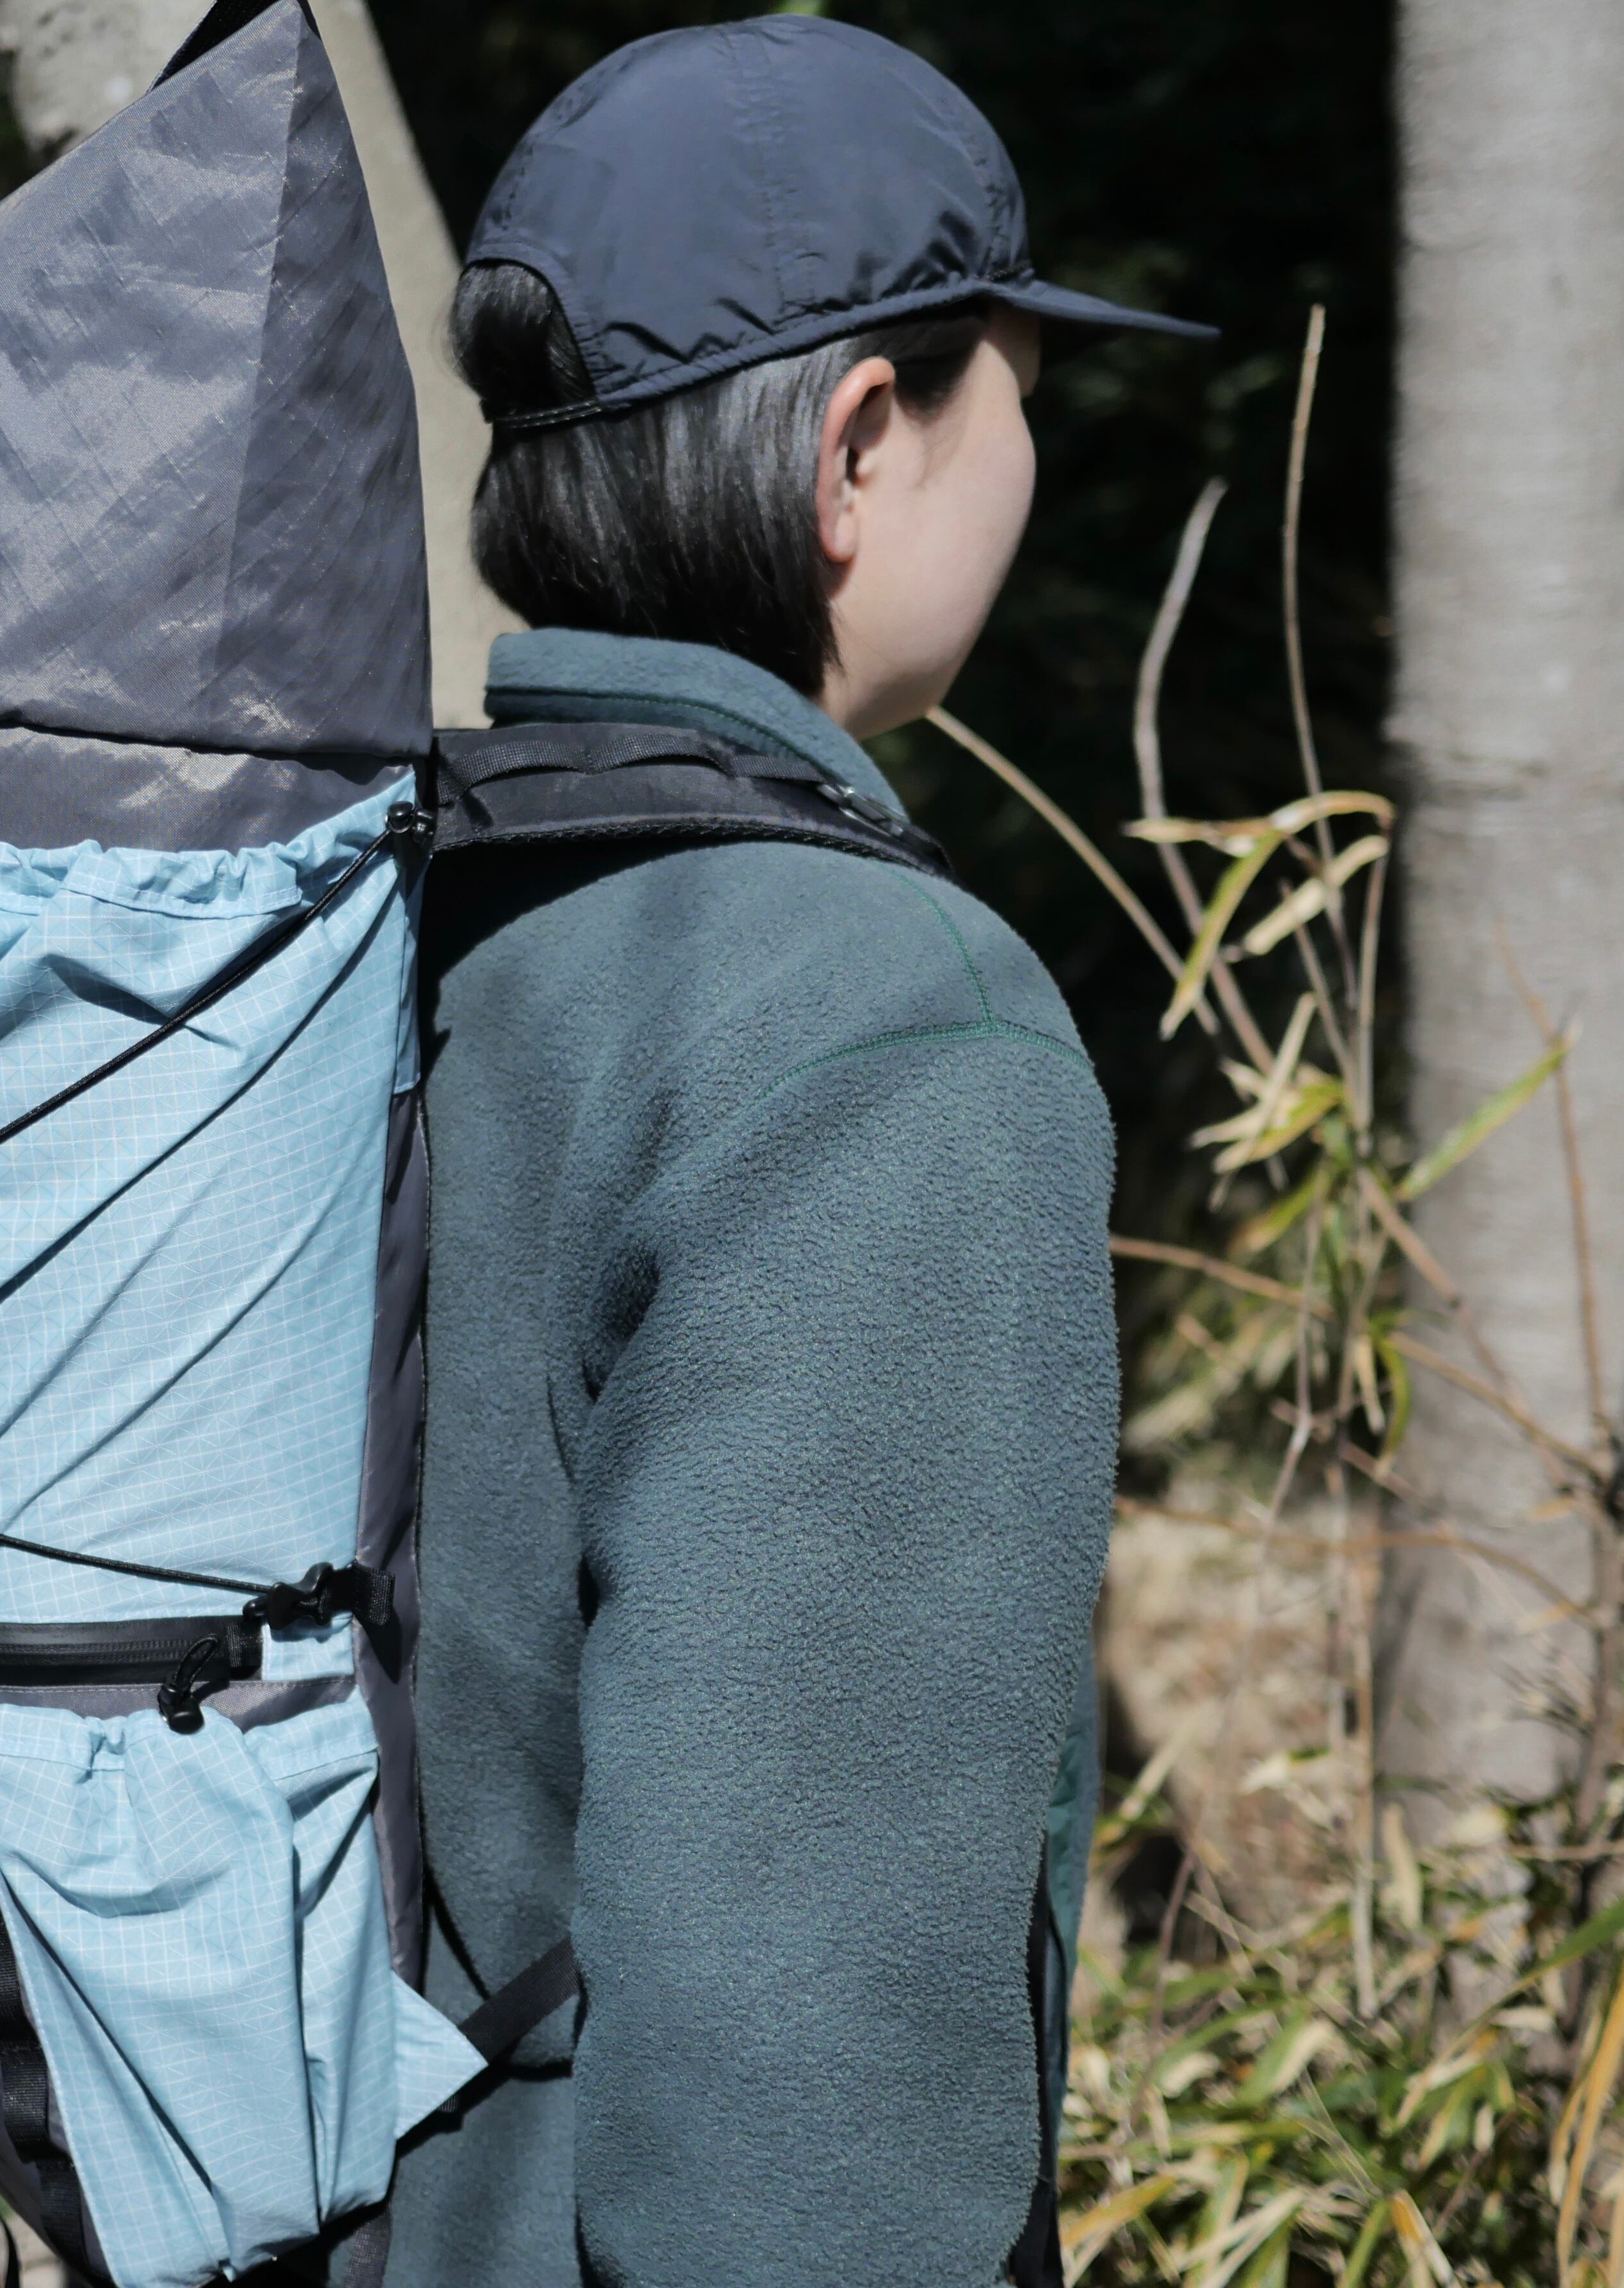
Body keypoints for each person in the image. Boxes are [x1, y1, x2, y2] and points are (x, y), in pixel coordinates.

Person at [393, 19, 1211, 2287]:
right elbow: (802, 2102)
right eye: (1014, 389)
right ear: (859, 446)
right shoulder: (880, 1025)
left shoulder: (409, 897)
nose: (1032, 454)